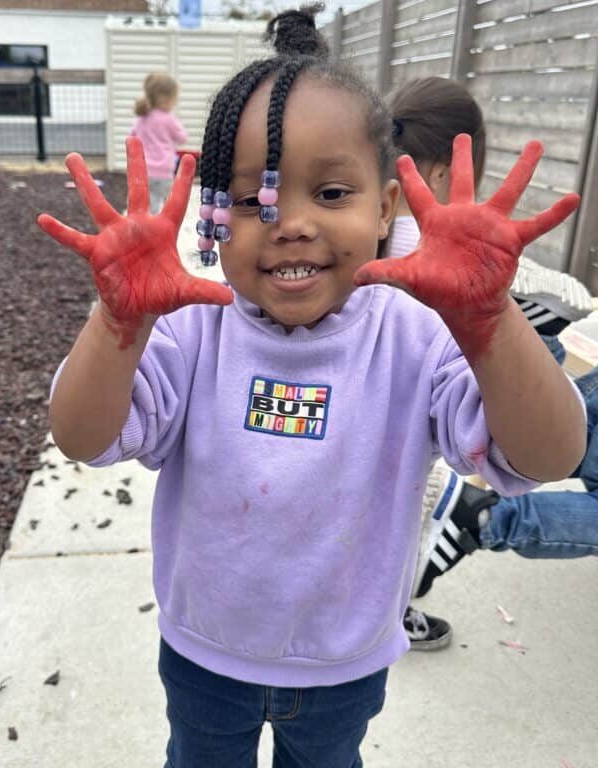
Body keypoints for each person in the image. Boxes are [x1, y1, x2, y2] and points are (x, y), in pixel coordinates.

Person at [37, 7, 585, 766]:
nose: (290, 223)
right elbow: (82, 434)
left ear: (387, 206)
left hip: (343, 667)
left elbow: (549, 455)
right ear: (213, 214)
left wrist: (489, 324)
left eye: (330, 194)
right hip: (205, 657)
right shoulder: (197, 328)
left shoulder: (416, 336)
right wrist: (117, 324)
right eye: (256, 199)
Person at [386, 76, 594, 649]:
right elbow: (570, 298)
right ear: (437, 173)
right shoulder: (462, 257)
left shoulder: (364, 240)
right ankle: (472, 524)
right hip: (443, 437)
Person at [130, 72, 188, 214]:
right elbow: (182, 138)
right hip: (164, 170)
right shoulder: (168, 119)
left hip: (144, 171)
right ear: (165, 99)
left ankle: (150, 228)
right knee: (169, 205)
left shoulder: (142, 118)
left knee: (151, 204)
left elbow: (132, 138)